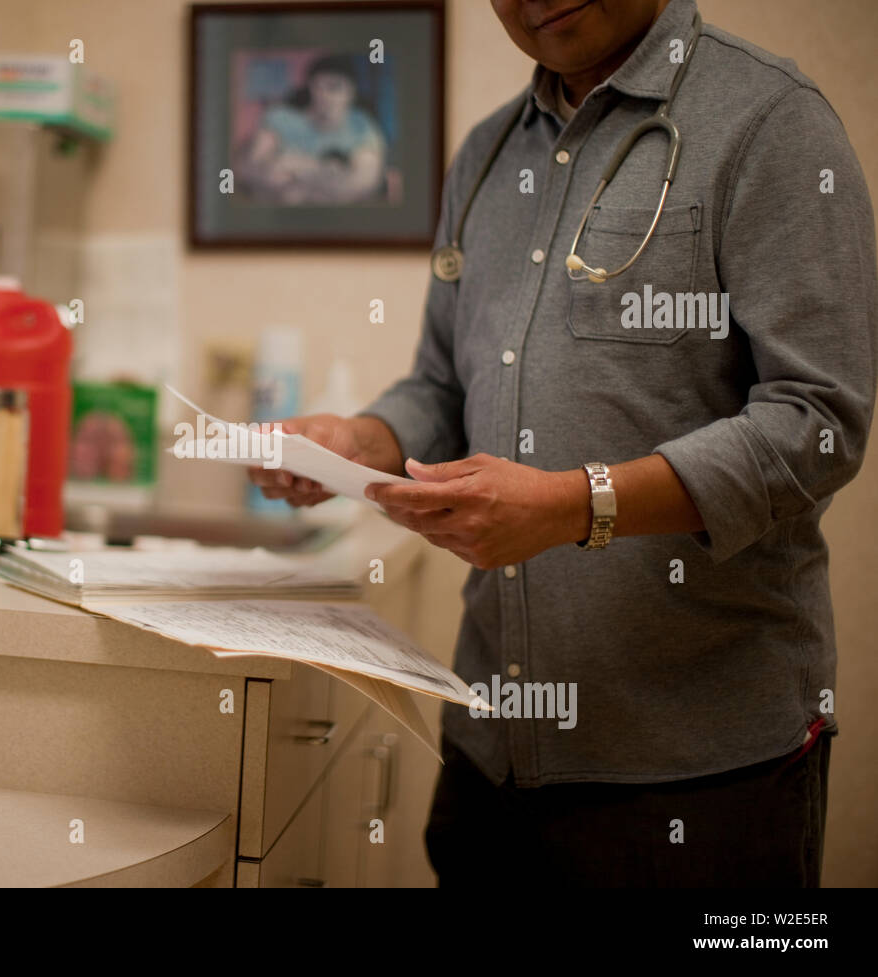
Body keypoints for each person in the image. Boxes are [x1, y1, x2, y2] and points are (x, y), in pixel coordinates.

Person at [250, 0, 876, 887]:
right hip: (489, 750)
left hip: (699, 774)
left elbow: (818, 422)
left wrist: (578, 506)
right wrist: (359, 438)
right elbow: (443, 385)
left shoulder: (770, 121)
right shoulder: (485, 157)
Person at [236, 53, 386, 205]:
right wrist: (332, 174)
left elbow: (364, 183)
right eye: (317, 87)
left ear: (351, 92)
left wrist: (301, 167)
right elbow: (252, 168)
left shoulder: (361, 125)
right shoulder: (280, 118)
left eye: (334, 87)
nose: (323, 95)